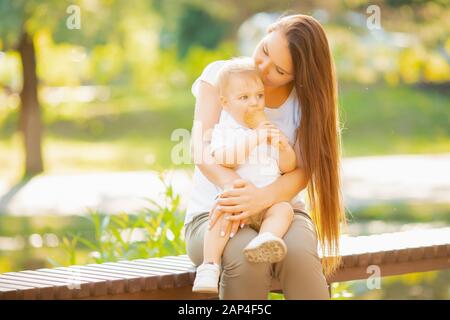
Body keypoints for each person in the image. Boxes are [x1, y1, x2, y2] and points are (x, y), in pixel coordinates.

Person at [184, 14, 346, 299]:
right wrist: (240, 193)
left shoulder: (303, 103)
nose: (262, 67)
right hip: (216, 211)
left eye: (279, 70)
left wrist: (261, 198)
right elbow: (201, 149)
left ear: (297, 75)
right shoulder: (221, 77)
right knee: (246, 258)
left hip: (280, 211)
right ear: (266, 33)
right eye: (265, 50)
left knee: (299, 254)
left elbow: (301, 170)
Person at [191, 57, 297, 293]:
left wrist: (283, 147)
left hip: (265, 203)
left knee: (284, 210)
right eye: (244, 98)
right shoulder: (225, 131)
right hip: (236, 205)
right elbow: (226, 158)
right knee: (221, 213)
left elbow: (288, 167)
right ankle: (209, 266)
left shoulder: (268, 129)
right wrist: (254, 139)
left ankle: (265, 239)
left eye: (259, 96)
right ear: (225, 103)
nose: (255, 103)